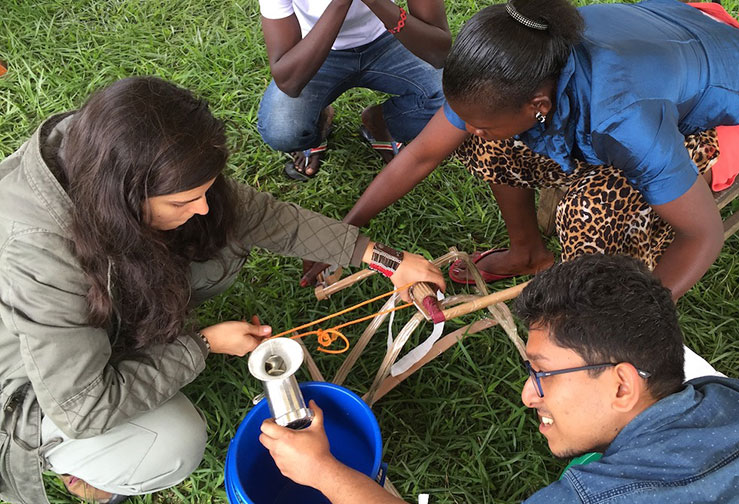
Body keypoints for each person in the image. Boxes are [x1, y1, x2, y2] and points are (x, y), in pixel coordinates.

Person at [0, 76, 444, 504]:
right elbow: (83, 407)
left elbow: (265, 217)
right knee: (173, 442)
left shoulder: (117, 150)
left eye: (204, 190)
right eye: (181, 202)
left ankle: (124, 341)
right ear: (122, 197)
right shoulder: (40, 254)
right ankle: (79, 465)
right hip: (29, 385)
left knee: (221, 241)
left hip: (78, 327)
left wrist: (384, 258)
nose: (203, 207)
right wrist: (202, 344)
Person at [260, 254, 739, 503]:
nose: (526, 394)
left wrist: (320, 470)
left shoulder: (594, 497)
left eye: (542, 374)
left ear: (622, 384)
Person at [312, 0, 739, 301]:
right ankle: (528, 253)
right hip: (673, 27)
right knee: (489, 149)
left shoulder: (623, 119)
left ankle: (594, 301)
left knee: (592, 207)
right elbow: (421, 153)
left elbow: (701, 233)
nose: (470, 128)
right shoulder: (506, 70)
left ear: (539, 104)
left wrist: (625, 327)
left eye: (479, 121)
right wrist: (341, 234)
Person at [256, 0, 450, 181]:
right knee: (282, 129)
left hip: (388, 39)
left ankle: (380, 123)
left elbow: (438, 51)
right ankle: (320, 122)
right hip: (315, 49)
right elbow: (289, 82)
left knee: (454, 95)